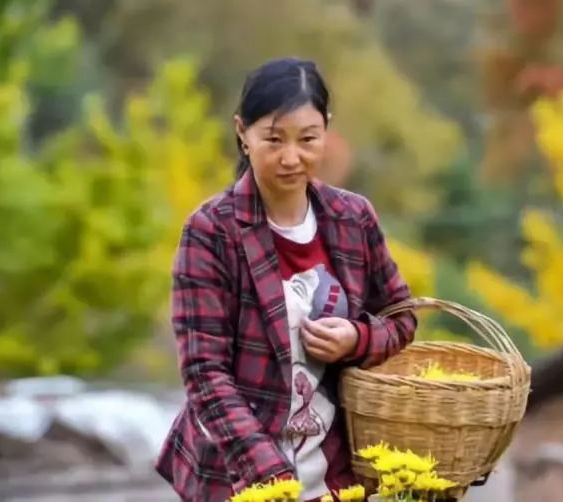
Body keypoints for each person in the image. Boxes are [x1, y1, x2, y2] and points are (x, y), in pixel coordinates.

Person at [155, 58, 417, 502]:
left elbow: (402, 318)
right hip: (238, 478)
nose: (291, 157)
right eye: (273, 139)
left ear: (327, 130)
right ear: (242, 132)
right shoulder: (212, 231)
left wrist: (357, 338)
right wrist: (272, 477)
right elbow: (205, 373)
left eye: (308, 139)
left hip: (336, 477)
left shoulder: (353, 218)